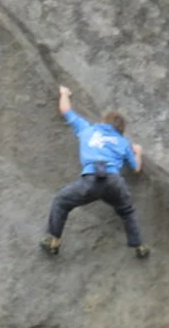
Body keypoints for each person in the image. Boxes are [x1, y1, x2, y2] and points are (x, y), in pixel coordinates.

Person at [41, 85, 150, 259]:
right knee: (127, 211)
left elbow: (65, 110)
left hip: (91, 179)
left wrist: (64, 93)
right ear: (121, 129)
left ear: (103, 122)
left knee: (61, 201)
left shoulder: (88, 130)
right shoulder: (123, 142)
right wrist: (137, 152)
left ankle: (54, 241)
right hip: (114, 181)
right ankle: (140, 246)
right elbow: (136, 168)